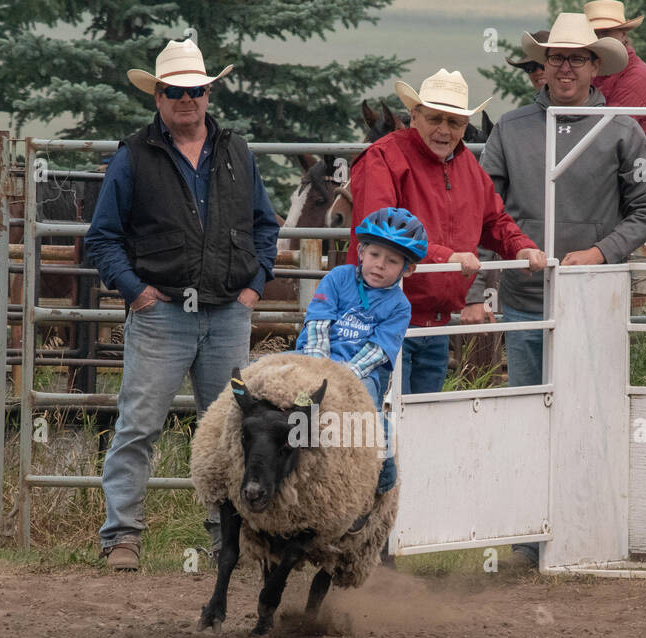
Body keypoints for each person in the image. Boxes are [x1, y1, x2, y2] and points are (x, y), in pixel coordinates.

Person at [86, 39, 280, 571]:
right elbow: (102, 238)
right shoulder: (133, 156)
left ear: (208, 93)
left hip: (228, 311)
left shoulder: (238, 152)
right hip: (162, 313)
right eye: (174, 91)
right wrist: (138, 293)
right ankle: (121, 537)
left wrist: (254, 286)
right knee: (139, 426)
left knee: (228, 431)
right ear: (158, 97)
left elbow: (266, 226)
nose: (185, 100)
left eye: (194, 90)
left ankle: (228, 539)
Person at [481, 12, 646, 567]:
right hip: (525, 301)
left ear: (593, 67)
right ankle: (525, 539)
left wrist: (600, 253)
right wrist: (504, 262)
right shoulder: (510, 130)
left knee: (591, 416)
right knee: (528, 416)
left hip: (590, 304)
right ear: (543, 65)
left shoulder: (623, 131)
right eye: (556, 57)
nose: (564, 67)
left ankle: (589, 530)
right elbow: (486, 212)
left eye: (576, 58)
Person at [346, 69, 545, 396]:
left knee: (417, 422)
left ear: (465, 126)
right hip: (380, 319)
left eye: (454, 123)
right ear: (414, 116)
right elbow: (379, 232)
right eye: (435, 119)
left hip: (432, 323)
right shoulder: (383, 157)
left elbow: (493, 221)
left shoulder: (467, 165)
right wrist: (446, 257)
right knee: (389, 421)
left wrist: (521, 248)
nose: (444, 130)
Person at [297, 207, 427, 498]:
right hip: (315, 360)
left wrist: (344, 377)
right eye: (374, 255)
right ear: (361, 251)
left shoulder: (399, 306)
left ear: (408, 269)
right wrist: (319, 368)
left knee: (366, 406)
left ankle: (383, 465)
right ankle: (289, 451)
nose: (380, 265)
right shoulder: (338, 278)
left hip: (361, 373)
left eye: (392, 261)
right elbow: (318, 322)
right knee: (270, 379)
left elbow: (378, 350)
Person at [586, 2, 646, 147]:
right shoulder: (596, 69)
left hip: (629, 164)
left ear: (623, 34)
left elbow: (612, 131)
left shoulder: (639, 76)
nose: (599, 39)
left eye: (606, 32)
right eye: (594, 33)